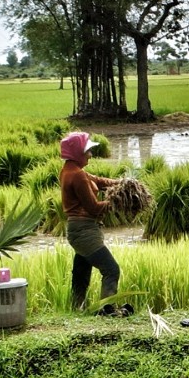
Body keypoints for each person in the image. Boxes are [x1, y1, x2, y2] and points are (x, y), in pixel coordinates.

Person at [59, 131, 128, 315]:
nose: (90, 154)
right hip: (84, 231)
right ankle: (108, 309)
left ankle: (76, 309)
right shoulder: (77, 175)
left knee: (81, 271)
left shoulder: (69, 170)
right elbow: (95, 208)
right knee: (111, 269)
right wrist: (120, 200)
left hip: (77, 231)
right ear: (77, 152)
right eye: (87, 151)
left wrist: (121, 184)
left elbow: (97, 180)